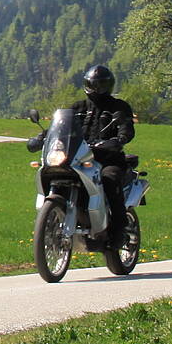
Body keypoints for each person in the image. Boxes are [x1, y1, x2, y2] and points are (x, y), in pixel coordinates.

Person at [32, 65, 136, 236]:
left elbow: (126, 127)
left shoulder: (118, 107)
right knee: (54, 172)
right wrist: (41, 136)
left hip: (107, 159)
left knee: (109, 179)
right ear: (86, 84)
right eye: (93, 84)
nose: (97, 88)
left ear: (109, 85)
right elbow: (60, 126)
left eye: (101, 84)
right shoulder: (78, 107)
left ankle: (119, 228)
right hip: (78, 157)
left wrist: (119, 140)